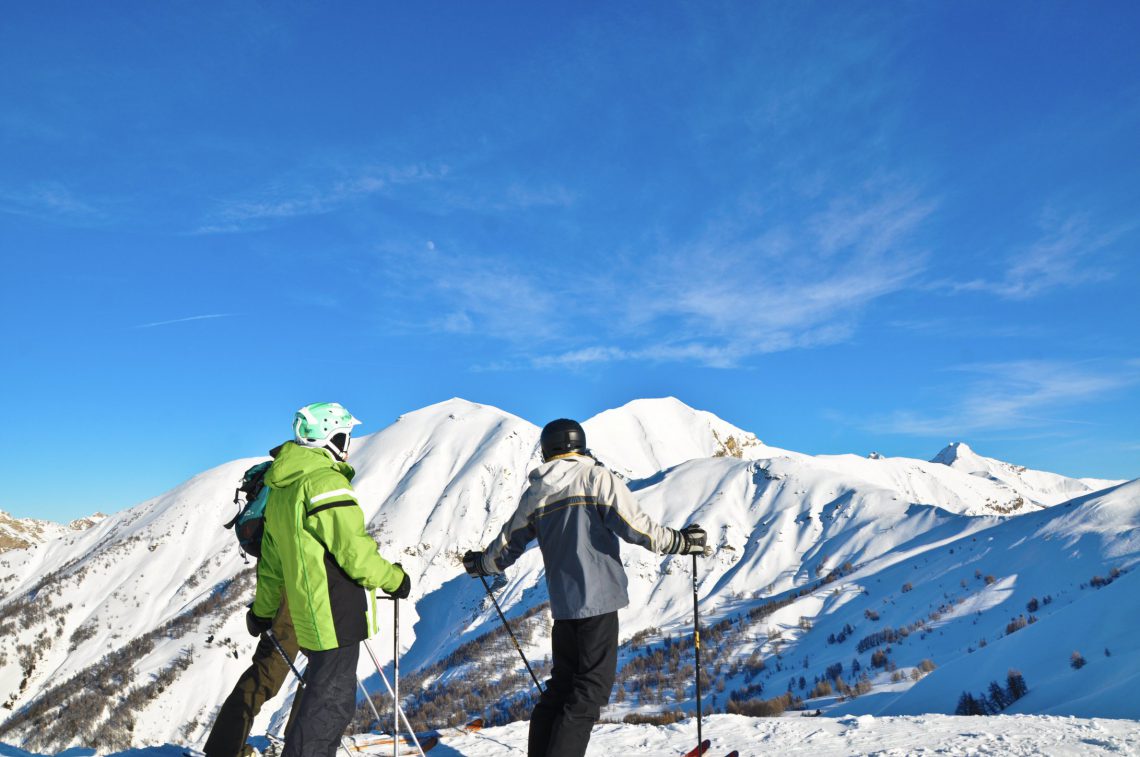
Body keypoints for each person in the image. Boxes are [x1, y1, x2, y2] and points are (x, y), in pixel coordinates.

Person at [463, 418, 707, 757]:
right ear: (580, 446)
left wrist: (482, 564)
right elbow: (638, 528)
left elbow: (507, 545)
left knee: (561, 688)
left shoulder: (537, 492)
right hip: (600, 601)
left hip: (564, 607)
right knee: (589, 692)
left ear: (547, 450)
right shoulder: (596, 478)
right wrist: (682, 543)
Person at [247, 402, 410, 757]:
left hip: (311, 617)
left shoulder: (282, 489)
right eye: (345, 435)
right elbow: (355, 552)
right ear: (332, 437)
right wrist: (395, 579)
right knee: (330, 708)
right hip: (335, 614)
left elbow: (272, 566)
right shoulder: (324, 482)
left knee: (322, 701)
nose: (348, 443)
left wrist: (262, 612)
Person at [204, 449, 302, 757]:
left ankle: (224, 747)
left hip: (280, 585)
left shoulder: (282, 477)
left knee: (268, 671)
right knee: (320, 668)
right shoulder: (305, 481)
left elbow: (272, 562)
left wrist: (262, 611)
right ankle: (303, 744)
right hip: (301, 588)